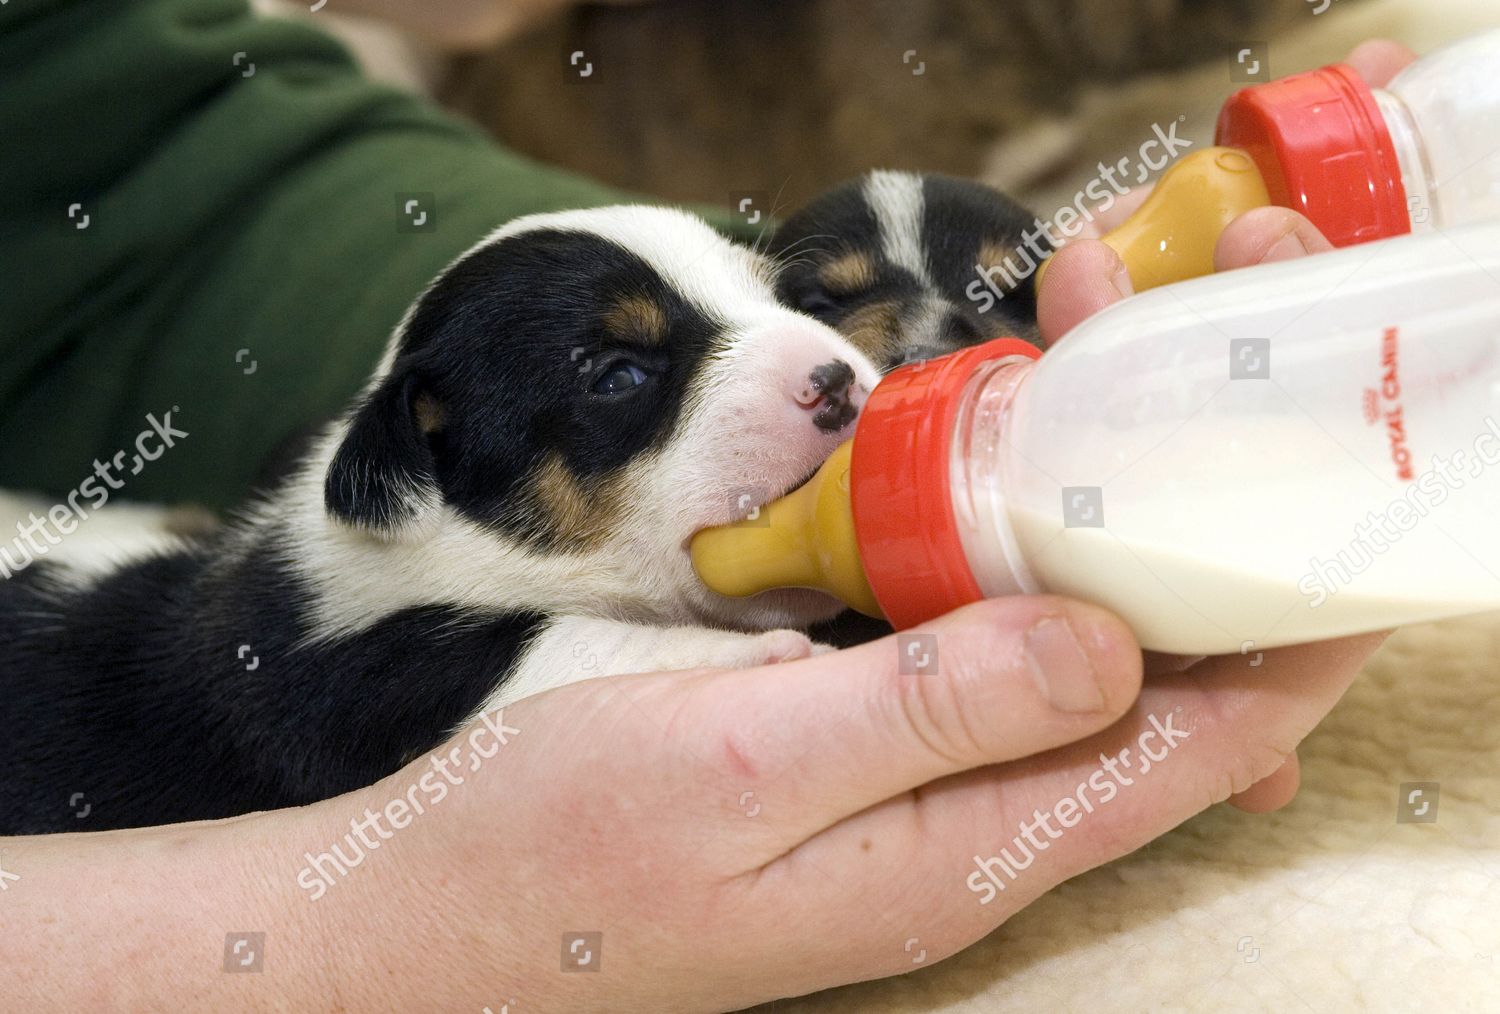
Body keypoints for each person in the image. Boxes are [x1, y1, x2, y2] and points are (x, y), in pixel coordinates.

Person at [0, 1, 1412, 1005]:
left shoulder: (451, 500)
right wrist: (322, 939)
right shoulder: (386, 651)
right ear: (414, 463)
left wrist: (995, 435)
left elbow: (141, 169)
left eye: (768, 295)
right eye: (627, 373)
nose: (821, 367)